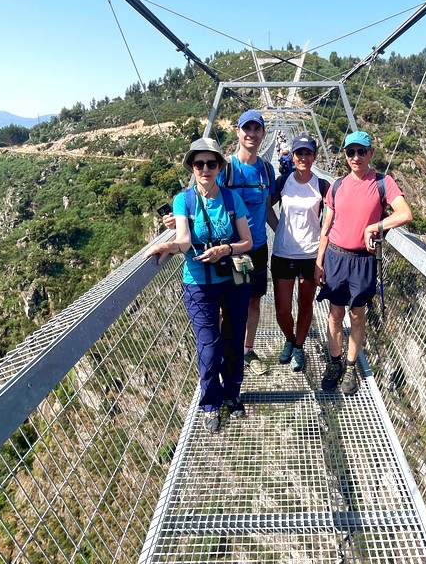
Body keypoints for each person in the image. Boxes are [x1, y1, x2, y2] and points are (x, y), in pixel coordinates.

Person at [147, 137, 253, 433]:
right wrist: (166, 247)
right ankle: (210, 403)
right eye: (199, 163)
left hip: (232, 281)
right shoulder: (185, 200)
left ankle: (232, 393)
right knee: (209, 347)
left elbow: (248, 241)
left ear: (220, 166)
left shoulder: (232, 199)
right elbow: (183, 239)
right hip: (198, 284)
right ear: (192, 168)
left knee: (233, 341)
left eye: (211, 163)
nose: (205, 168)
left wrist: (225, 249)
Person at [162, 110, 277, 375]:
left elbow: (269, 209)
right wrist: (178, 222)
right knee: (227, 306)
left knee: (254, 301)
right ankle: (226, 351)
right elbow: (204, 199)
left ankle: (246, 351)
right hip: (224, 252)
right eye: (246, 128)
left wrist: (283, 237)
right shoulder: (225, 169)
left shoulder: (266, 170)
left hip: (255, 247)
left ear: (263, 134)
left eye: (256, 129)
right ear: (238, 132)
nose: (251, 133)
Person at [315, 130, 412, 395]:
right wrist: (319, 260)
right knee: (335, 315)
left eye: (361, 151)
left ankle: (350, 366)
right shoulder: (336, 185)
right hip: (335, 257)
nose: (356, 157)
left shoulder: (383, 182)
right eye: (350, 152)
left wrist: (374, 226)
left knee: (357, 316)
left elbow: (404, 213)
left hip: (362, 261)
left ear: (371, 153)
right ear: (345, 155)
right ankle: (334, 364)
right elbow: (327, 225)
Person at [271, 134, 330, 373]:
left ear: (314, 156)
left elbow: (336, 215)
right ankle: (288, 337)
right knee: (282, 309)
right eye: (299, 153)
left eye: (308, 153)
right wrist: (279, 229)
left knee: (305, 304)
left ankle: (298, 345)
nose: (304, 157)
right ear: (292, 156)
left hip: (310, 255)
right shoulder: (283, 181)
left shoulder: (322, 185)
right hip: (283, 253)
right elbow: (263, 206)